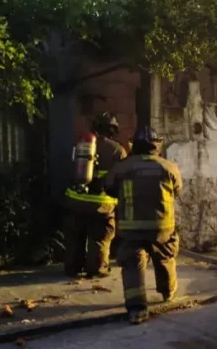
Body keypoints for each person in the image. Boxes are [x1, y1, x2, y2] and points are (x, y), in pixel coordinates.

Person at [104, 126, 183, 324]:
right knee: (165, 257)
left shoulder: (122, 167)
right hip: (162, 226)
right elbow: (177, 190)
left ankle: (137, 310)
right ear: (156, 145)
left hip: (132, 228)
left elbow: (109, 188)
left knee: (132, 264)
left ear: (135, 144)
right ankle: (168, 292)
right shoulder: (169, 167)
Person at [63, 112, 126, 278]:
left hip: (75, 199)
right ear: (113, 130)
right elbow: (122, 177)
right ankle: (97, 268)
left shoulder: (81, 144)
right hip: (100, 203)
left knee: (75, 236)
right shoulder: (117, 150)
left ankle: (72, 267)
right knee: (100, 237)